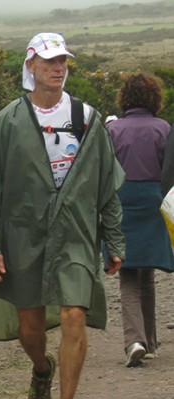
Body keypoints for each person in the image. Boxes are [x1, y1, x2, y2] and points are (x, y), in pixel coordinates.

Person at [0, 32, 125, 399]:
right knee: (30, 327)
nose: (58, 68)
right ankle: (41, 368)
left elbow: (105, 185)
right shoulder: (8, 121)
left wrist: (114, 240)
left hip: (75, 235)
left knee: (74, 314)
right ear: (31, 67)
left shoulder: (87, 119)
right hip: (23, 237)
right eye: (49, 62)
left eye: (62, 62)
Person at [105, 72, 174, 366]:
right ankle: (150, 341)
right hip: (154, 201)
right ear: (154, 97)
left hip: (121, 203)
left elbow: (105, 172)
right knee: (145, 273)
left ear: (125, 98)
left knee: (127, 270)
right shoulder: (164, 128)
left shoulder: (113, 130)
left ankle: (135, 340)